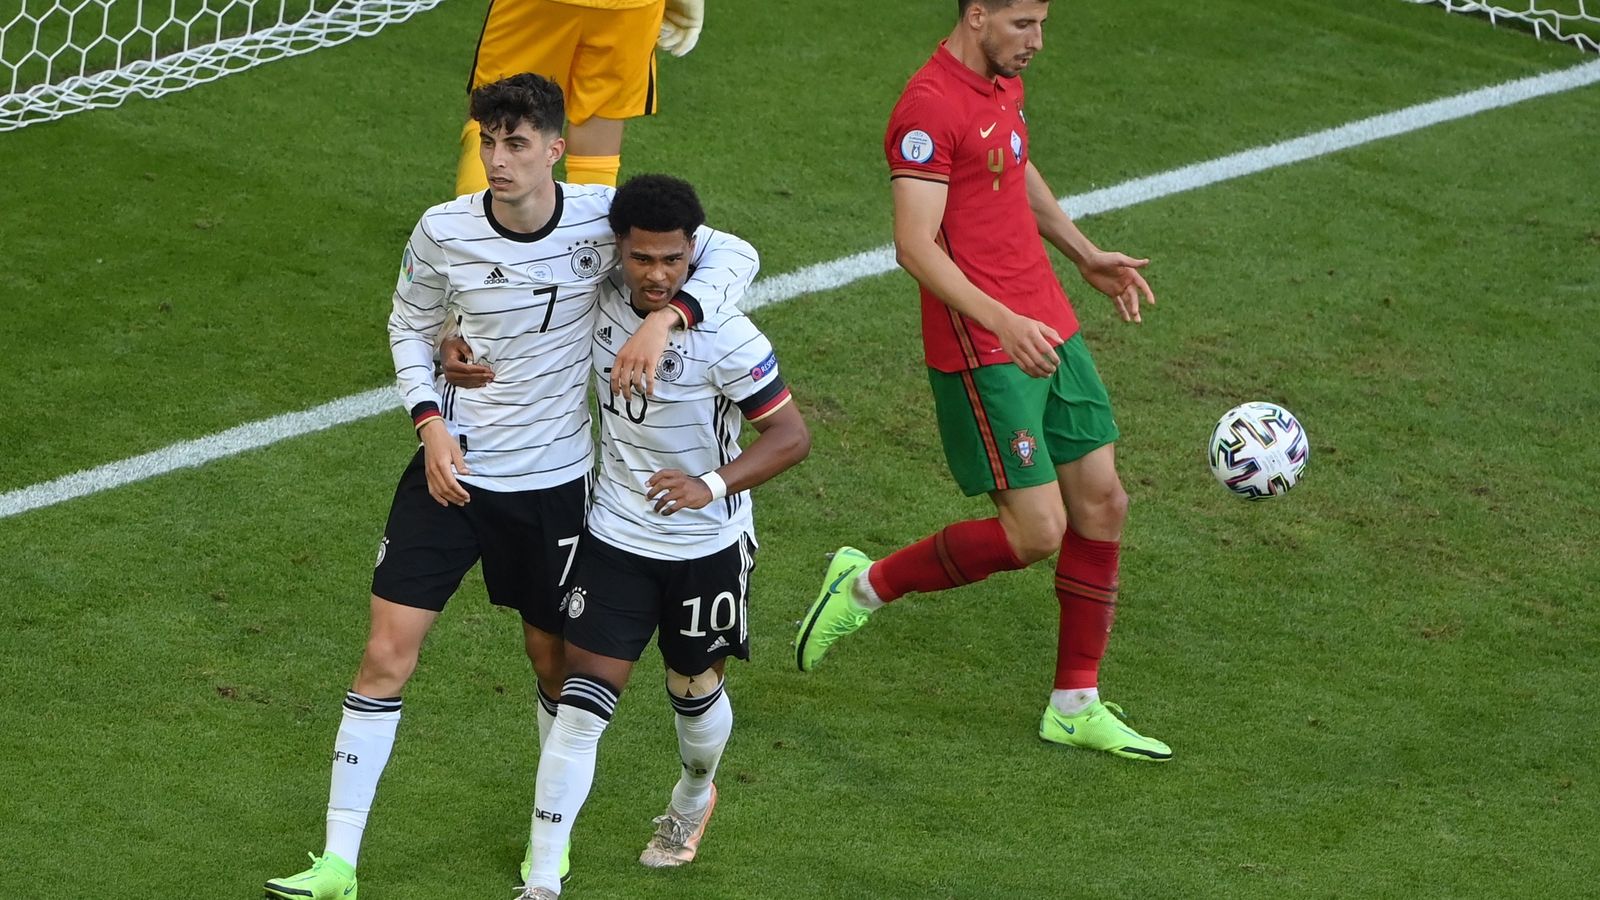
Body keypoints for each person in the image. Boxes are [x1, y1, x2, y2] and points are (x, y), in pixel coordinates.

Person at [264, 73, 757, 900]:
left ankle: (547, 846)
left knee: (556, 665)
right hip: (448, 473)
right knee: (385, 652)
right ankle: (338, 862)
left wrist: (668, 317)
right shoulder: (442, 230)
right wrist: (429, 422)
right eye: (488, 141)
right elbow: (409, 325)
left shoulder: (604, 226)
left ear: (556, 150)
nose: (498, 158)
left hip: (554, 488)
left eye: (517, 143)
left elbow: (733, 252)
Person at [792, 0, 1171, 763]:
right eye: (1022, 24)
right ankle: (865, 585)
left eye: (1042, 24)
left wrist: (1082, 251)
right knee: (1037, 533)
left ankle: (1075, 702)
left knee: (1104, 500)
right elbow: (914, 245)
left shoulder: (1002, 80)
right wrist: (1001, 322)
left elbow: (1012, 164)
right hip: (986, 344)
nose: (1036, 42)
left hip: (1047, 320)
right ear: (976, 15)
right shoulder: (926, 109)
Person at [516, 174, 808, 900]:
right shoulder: (599, 297)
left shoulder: (728, 333)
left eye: (672, 261)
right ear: (620, 251)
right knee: (583, 702)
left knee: (693, 689)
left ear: (690, 255)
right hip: (614, 531)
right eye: (642, 259)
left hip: (706, 544)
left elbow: (791, 437)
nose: (656, 274)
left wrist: (707, 486)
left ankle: (691, 798)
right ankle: (543, 876)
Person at [455, 0, 705, 192]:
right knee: (599, 123)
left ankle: (474, 241)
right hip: (630, 6)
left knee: (501, 110)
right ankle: (586, 248)